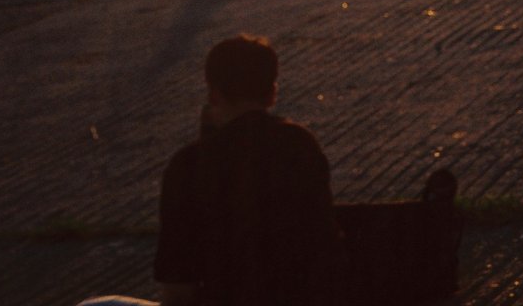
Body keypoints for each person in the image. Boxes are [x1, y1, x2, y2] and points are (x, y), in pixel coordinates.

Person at [78, 35, 339, 306]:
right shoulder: (300, 144)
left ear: (214, 94)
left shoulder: (189, 164)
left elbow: (177, 288)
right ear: (272, 93)